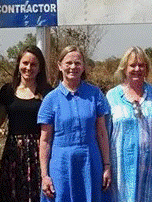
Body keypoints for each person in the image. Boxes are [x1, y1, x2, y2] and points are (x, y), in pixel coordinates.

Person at [38, 45, 112, 202]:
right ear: (60, 66)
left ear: (83, 66)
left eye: (77, 63)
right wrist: (44, 175)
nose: (73, 67)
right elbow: (45, 140)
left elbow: (101, 133)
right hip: (61, 165)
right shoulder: (50, 99)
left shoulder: (95, 94)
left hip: (90, 162)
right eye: (68, 63)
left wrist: (106, 166)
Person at [106, 47, 152, 202]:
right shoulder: (112, 97)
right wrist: (106, 166)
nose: (137, 69)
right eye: (132, 65)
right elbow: (104, 134)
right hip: (121, 170)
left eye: (141, 65)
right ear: (124, 68)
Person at [0, 45, 53, 202]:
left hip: (39, 152)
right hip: (13, 153)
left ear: (40, 68)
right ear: (18, 64)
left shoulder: (48, 92)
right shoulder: (7, 91)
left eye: (33, 64)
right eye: (25, 63)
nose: (28, 68)